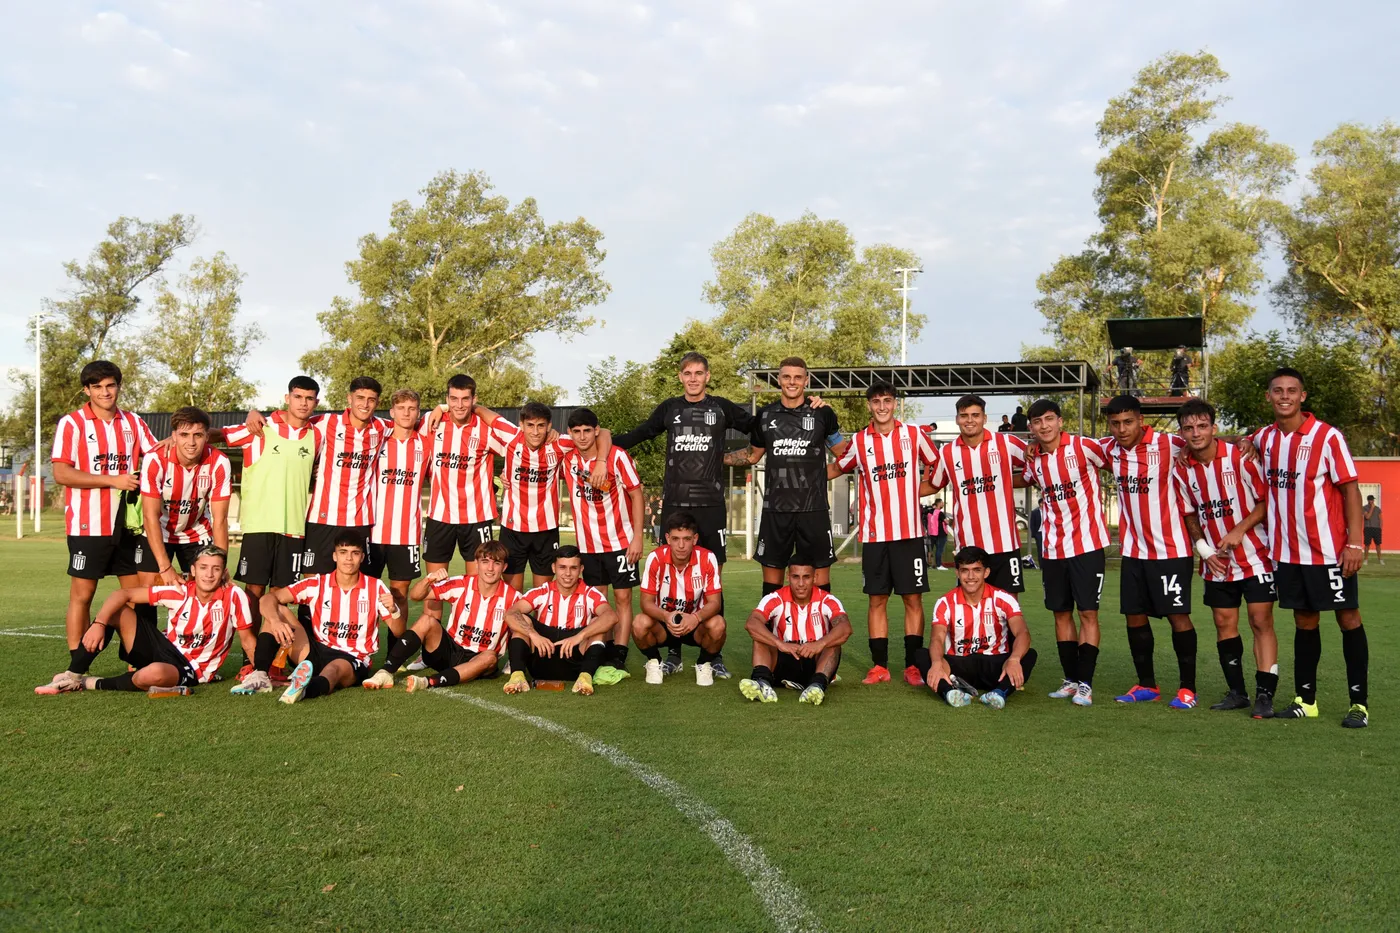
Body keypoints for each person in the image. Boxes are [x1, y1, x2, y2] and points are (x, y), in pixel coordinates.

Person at [612, 351, 810, 678]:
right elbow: (641, 433)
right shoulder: (670, 409)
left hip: (712, 506)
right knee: (670, 576)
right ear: (680, 377)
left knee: (712, 576)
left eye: (699, 373)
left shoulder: (721, 407)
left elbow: (758, 427)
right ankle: (673, 652)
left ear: (707, 376)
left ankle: (712, 655)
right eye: (687, 373)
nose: (693, 378)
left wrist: (802, 407)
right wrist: (603, 445)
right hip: (675, 504)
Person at [1252, 368, 1369, 727]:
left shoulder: (1327, 436)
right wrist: (1243, 440)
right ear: (1269, 397)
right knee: (1304, 622)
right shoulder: (1266, 438)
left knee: (1348, 619)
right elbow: (1245, 440)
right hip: (1287, 554)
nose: (1284, 396)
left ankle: (1358, 705)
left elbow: (1350, 488)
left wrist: (1355, 542)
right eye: (1277, 390)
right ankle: (1307, 699)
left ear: (1303, 396)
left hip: (1329, 551)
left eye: (1292, 390)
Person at [38, 360, 160, 695]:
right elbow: (62, 473)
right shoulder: (72, 424)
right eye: (97, 387)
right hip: (88, 525)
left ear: (119, 386)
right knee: (83, 595)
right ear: (87, 390)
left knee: (139, 598)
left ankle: (139, 660)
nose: (105, 393)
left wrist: (193, 435)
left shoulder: (133, 422)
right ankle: (75, 667)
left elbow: (156, 455)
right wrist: (113, 480)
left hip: (129, 528)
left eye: (111, 386)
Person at [828, 380, 938, 686]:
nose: (882, 406)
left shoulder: (914, 434)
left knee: (912, 599)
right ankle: (879, 666)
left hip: (909, 534)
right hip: (875, 536)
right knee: (877, 601)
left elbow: (936, 463)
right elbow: (839, 466)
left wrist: (923, 488)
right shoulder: (861, 441)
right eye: (876, 402)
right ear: (869, 406)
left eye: (887, 401)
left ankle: (913, 666)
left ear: (895, 404)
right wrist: (800, 475)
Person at [1175, 399, 1279, 718]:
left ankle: (1265, 695)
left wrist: (1238, 531)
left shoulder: (1240, 457)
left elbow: (1265, 502)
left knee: (1260, 620)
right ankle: (1237, 693)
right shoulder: (1183, 468)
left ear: (1213, 428)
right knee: (1223, 623)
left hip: (1256, 556)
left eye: (1202, 426)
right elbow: (1190, 513)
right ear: (1182, 432)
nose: (1196, 433)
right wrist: (1203, 549)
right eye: (1189, 428)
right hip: (1217, 563)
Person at [38, 546, 256, 695]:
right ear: (193, 570)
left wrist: (260, 671)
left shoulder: (234, 596)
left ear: (224, 572)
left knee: (153, 674)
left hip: (192, 668)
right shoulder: (179, 592)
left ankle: (86, 683)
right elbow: (121, 595)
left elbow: (247, 640)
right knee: (116, 611)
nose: (209, 575)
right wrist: (99, 624)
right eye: (203, 568)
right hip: (164, 647)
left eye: (215, 569)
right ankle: (71, 675)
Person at [1099, 395, 1199, 709]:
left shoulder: (1170, 444)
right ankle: (1147, 685)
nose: (1121, 428)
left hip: (1171, 550)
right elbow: (1067, 444)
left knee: (1177, 617)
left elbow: (1208, 438)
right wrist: (1034, 444)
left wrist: (1247, 441)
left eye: (1128, 422)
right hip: (1134, 551)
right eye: (1115, 423)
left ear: (1141, 420)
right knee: (1134, 617)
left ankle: (1188, 689)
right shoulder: (1109, 448)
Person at [243, 376, 389, 575]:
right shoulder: (326, 422)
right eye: (360, 397)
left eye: (371, 399)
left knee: (358, 583)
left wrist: (441, 407)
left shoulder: (383, 427)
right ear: (349, 398)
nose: (365, 404)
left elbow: (413, 423)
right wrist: (254, 413)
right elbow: (291, 420)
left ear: (377, 402)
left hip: (359, 520)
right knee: (313, 583)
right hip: (322, 519)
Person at [724, 356, 846, 594]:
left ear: (806, 380)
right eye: (787, 377)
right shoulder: (766, 415)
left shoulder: (822, 413)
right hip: (776, 510)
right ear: (779, 380)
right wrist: (715, 456)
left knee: (820, 586)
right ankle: (771, 632)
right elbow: (752, 455)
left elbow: (845, 455)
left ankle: (819, 632)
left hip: (814, 510)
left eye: (798, 377)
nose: (792, 382)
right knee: (772, 587)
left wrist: (821, 476)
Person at [1016, 399, 1107, 706]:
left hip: (1087, 545)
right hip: (1052, 547)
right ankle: (1070, 680)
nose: (1044, 426)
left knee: (1088, 613)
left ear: (1060, 421)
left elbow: (1119, 455)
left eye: (1049, 419)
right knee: (1060, 613)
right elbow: (1021, 477)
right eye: (1037, 422)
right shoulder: (1034, 460)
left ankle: (1086, 683)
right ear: (1031, 428)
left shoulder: (1084, 448)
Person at [232, 531, 396, 702]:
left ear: (362, 557)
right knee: (278, 610)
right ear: (334, 556)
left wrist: (393, 610)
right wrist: (274, 621)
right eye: (343, 552)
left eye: (354, 553)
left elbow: (398, 631)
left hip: (353, 657)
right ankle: (260, 675)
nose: (349, 559)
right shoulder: (317, 584)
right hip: (315, 651)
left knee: (333, 669)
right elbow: (268, 598)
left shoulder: (375, 587)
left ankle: (303, 690)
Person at [225, 376, 320, 655]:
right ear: (287, 397)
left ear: (316, 402)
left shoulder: (318, 434)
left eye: (309, 398)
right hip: (259, 525)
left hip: (294, 528)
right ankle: (249, 657)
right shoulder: (261, 428)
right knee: (254, 592)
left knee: (280, 597)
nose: (303, 403)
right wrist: (251, 413)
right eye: (298, 396)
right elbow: (217, 434)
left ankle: (272, 659)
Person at [365, 541, 520, 692]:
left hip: (480, 661)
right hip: (451, 651)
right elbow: (415, 596)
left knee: (490, 657)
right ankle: (385, 672)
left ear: (504, 567)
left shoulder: (514, 599)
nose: (490, 568)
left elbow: (522, 632)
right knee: (427, 619)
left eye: (497, 563)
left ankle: (429, 682)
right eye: (485, 561)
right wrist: (428, 580)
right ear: (477, 563)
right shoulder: (461, 584)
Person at [559, 407, 644, 684]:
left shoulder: (616, 456)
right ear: (570, 433)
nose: (582, 436)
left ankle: (619, 653)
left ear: (596, 430)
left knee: (622, 599)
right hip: (588, 544)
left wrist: (638, 537)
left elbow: (637, 494)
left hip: (620, 541)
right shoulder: (568, 458)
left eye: (587, 430)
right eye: (576, 431)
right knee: (598, 601)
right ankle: (602, 649)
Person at [923, 395, 1030, 594]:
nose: (969, 420)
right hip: (969, 545)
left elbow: (1036, 464)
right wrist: (895, 489)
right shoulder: (947, 452)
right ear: (957, 419)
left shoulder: (1007, 444)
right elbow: (933, 485)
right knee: (971, 606)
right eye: (964, 415)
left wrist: (1007, 480)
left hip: (1005, 543)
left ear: (984, 417)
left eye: (975, 415)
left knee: (1008, 606)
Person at [917, 546, 1038, 709]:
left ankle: (999, 693)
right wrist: (937, 662)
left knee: (1028, 655)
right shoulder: (945, 602)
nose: (971, 576)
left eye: (976, 570)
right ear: (957, 573)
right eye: (965, 570)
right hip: (959, 665)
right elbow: (937, 638)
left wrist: (1014, 659)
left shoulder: (1004, 598)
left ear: (986, 572)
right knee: (923, 656)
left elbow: (1022, 633)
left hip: (995, 665)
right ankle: (950, 693)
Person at [501, 546, 619, 696]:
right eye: (562, 567)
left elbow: (611, 617)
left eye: (573, 568)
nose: (568, 574)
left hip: (575, 661)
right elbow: (510, 613)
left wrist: (579, 636)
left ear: (581, 569)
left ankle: (585, 678)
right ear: (554, 568)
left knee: (598, 625)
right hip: (542, 657)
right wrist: (533, 635)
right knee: (522, 620)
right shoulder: (542, 591)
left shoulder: (590, 593)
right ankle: (517, 676)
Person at [138, 406, 232, 584]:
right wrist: (165, 567)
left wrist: (221, 565)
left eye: (197, 435)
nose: (191, 442)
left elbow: (220, 519)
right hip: (159, 530)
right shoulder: (155, 459)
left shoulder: (219, 461)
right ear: (173, 436)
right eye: (184, 435)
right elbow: (150, 515)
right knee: (147, 590)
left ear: (207, 436)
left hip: (197, 532)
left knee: (210, 587)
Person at [739, 560, 851, 705]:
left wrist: (819, 644)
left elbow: (845, 628)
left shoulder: (827, 600)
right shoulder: (775, 598)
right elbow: (751, 623)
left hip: (814, 664)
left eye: (806, 577)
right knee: (760, 636)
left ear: (815, 577)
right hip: (783, 661)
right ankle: (762, 683)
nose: (801, 583)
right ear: (788, 576)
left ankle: (817, 686)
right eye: (795, 577)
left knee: (834, 643)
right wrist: (779, 643)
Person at [634, 511, 726, 686]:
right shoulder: (655, 558)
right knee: (639, 623)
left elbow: (715, 603)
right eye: (676, 539)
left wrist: (695, 618)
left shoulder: (707, 558)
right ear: (668, 538)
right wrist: (665, 616)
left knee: (718, 624)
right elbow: (645, 602)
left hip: (694, 624)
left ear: (695, 539)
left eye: (686, 538)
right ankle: (655, 662)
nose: (681, 545)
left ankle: (703, 663)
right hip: (664, 624)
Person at [366, 389, 430, 629]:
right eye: (401, 408)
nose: (406, 413)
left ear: (418, 413)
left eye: (411, 408)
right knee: (365, 590)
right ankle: (358, 646)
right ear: (391, 412)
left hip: (407, 532)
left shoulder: (426, 444)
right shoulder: (377, 439)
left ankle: (395, 655)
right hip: (373, 530)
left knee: (400, 593)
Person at [927, 499, 948, 569]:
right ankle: (939, 564)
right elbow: (946, 522)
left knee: (930, 549)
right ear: (939, 503)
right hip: (941, 533)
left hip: (932, 533)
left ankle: (929, 564)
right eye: (942, 503)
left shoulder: (930, 513)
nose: (943, 504)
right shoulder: (940, 513)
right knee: (939, 549)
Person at [1363, 495, 1383, 564]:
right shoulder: (1364, 508)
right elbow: (1367, 517)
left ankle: (1380, 559)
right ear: (1368, 500)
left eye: (1373, 500)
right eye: (1371, 500)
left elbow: (1380, 519)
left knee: (1378, 544)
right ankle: (1366, 559)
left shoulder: (1378, 509)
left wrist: (1380, 528)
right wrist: (1372, 508)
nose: (1372, 501)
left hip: (1376, 528)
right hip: (1368, 528)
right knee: (1367, 545)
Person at [1028, 500, 1043, 569]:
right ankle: (1041, 565)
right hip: (1039, 533)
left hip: (1047, 533)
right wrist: (1034, 534)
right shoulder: (1034, 512)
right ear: (1040, 504)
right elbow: (1032, 524)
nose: (1043, 504)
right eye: (1042, 503)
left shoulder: (1048, 511)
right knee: (1040, 550)